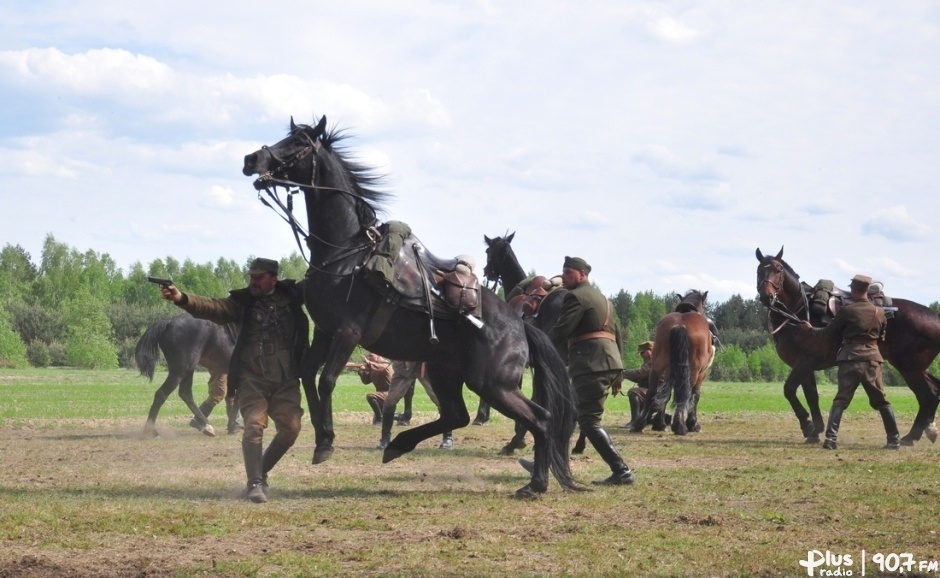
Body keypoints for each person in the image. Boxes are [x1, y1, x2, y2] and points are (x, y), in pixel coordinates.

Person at [160, 257, 309, 503]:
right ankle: (255, 483)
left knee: (291, 429)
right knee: (252, 425)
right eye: (251, 277)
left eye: (259, 278)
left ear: (274, 278)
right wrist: (182, 298)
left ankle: (259, 472)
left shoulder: (293, 296)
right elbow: (212, 307)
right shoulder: (242, 303)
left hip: (286, 378)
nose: (253, 281)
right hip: (253, 377)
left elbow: (323, 283)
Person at [526, 256, 634, 485]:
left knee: (589, 422)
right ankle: (544, 463)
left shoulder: (576, 296)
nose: (563, 277)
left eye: (568, 273)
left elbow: (562, 329)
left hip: (589, 365)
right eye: (563, 273)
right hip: (606, 363)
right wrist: (619, 370)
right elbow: (617, 335)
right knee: (569, 415)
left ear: (582, 275)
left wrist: (537, 346)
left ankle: (622, 471)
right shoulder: (604, 298)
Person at [801, 274, 898, 450]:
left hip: (849, 359)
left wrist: (810, 329)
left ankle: (830, 439)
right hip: (872, 361)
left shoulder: (847, 311)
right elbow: (881, 337)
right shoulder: (880, 312)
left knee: (840, 400)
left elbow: (828, 333)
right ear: (867, 290)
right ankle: (894, 440)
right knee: (881, 401)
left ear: (853, 290)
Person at [378, 360, 454, 451]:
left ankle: (448, 437)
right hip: (404, 365)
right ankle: (385, 438)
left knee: (441, 401)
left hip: (428, 365)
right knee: (390, 401)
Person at [357, 353, 393, 425]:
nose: (369, 357)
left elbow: (381, 368)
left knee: (370, 396)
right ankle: (386, 418)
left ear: (379, 356)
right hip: (380, 394)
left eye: (371, 356)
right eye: (368, 356)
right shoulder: (375, 367)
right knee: (375, 423)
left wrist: (368, 363)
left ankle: (381, 418)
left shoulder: (385, 365)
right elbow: (366, 381)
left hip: (389, 393)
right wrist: (361, 371)